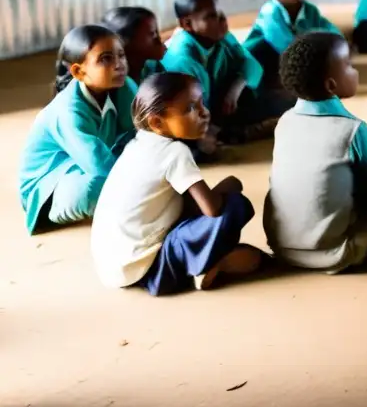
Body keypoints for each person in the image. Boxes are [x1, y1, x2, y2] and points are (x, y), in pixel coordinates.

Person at [91, 72, 263, 295]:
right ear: (156, 122)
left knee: (187, 201)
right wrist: (230, 184)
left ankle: (204, 261)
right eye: (190, 108)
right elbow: (211, 209)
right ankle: (202, 264)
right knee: (234, 204)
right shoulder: (175, 152)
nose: (204, 113)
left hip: (115, 268)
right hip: (153, 269)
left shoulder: (137, 144)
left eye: (202, 103)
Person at [264, 32, 367, 273]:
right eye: (348, 65)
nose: (354, 70)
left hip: (282, 249)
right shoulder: (353, 129)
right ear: (331, 85)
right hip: (340, 253)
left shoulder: (284, 121)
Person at [19, 25, 137, 234]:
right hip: (52, 184)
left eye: (121, 55)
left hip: (91, 163)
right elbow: (99, 165)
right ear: (78, 71)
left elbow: (141, 133)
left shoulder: (124, 86)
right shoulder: (68, 111)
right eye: (105, 59)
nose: (119, 65)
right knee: (93, 189)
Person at [162, 0, 284, 144]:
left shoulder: (220, 36)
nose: (222, 19)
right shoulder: (181, 59)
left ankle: (232, 131)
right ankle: (231, 133)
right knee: (198, 147)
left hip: (216, 105)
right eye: (211, 16)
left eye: (220, 13)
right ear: (187, 24)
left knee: (276, 100)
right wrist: (209, 131)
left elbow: (251, 64)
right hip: (187, 115)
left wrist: (235, 89)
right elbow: (190, 110)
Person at [244, 0, 342, 89]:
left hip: (293, 58)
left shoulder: (309, 10)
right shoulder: (270, 12)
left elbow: (329, 29)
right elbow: (283, 44)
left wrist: (339, 43)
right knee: (264, 49)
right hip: (266, 58)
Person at [102, 6, 166, 83]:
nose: (159, 40)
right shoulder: (114, 84)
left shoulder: (153, 67)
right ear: (125, 43)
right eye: (152, 34)